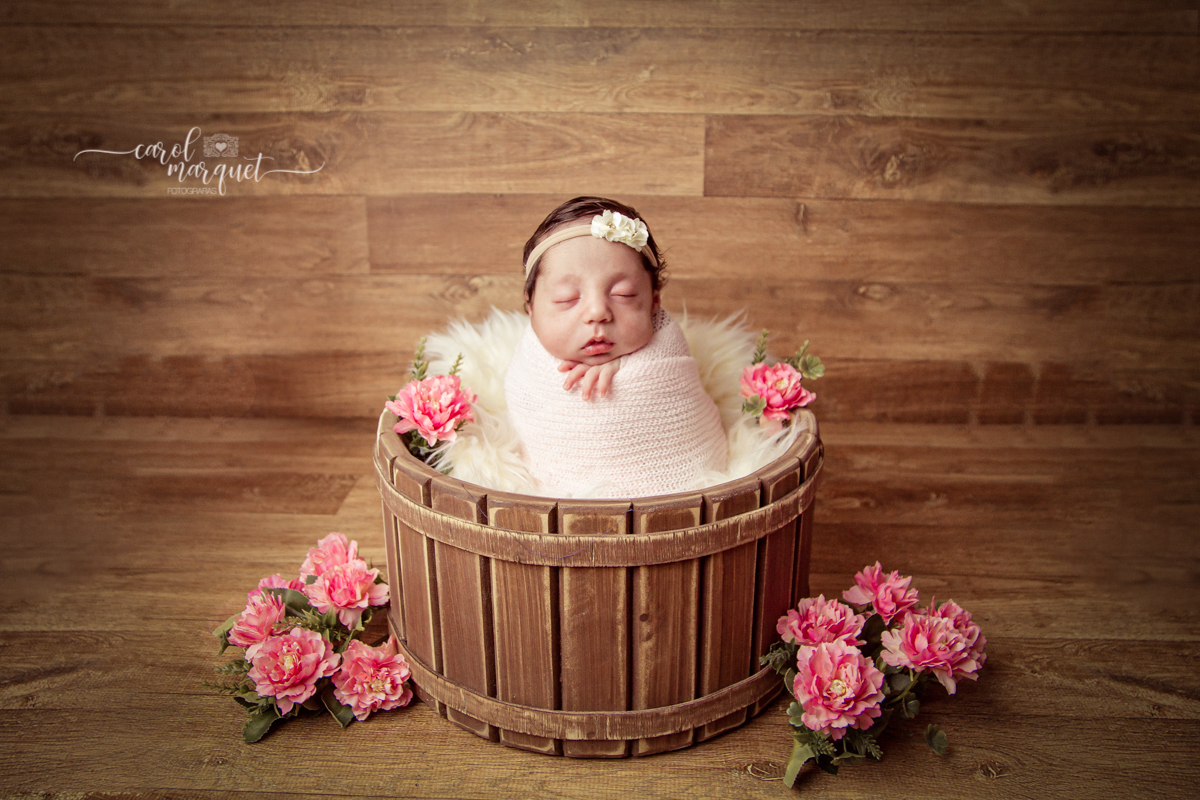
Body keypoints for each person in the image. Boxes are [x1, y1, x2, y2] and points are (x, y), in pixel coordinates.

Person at [503, 196, 728, 498]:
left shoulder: (668, 351)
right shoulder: (530, 364)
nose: (598, 312)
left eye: (623, 294)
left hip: (683, 506)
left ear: (654, 302)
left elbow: (676, 405)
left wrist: (627, 368)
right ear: (531, 308)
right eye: (567, 298)